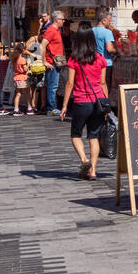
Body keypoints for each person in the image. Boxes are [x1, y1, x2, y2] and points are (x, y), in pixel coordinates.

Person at [60, 28, 109, 180]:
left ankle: (84, 160)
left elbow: (69, 83)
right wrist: (106, 104)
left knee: (75, 134)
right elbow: (103, 83)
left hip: (81, 101)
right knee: (93, 136)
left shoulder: (74, 60)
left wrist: (64, 106)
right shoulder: (100, 58)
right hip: (98, 102)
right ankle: (93, 171)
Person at [41, 11, 67, 117]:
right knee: (53, 86)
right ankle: (51, 108)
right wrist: (44, 61)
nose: (63, 21)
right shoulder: (51, 30)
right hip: (52, 62)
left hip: (56, 61)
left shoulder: (56, 30)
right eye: (62, 19)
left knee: (54, 86)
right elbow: (43, 45)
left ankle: (52, 107)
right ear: (57, 20)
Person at [92, 9, 117, 91]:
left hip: (93, 62)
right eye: (109, 20)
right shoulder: (107, 32)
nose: (110, 22)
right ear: (103, 20)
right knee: (105, 85)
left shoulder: (91, 30)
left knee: (95, 85)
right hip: (106, 63)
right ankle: (104, 102)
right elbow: (109, 49)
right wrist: (116, 50)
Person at [11, 36, 32, 115]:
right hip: (23, 78)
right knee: (27, 93)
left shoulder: (14, 59)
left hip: (16, 78)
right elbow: (25, 70)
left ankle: (16, 109)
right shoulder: (22, 59)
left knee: (18, 94)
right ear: (23, 50)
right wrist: (28, 63)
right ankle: (29, 108)